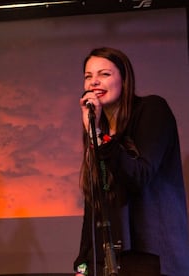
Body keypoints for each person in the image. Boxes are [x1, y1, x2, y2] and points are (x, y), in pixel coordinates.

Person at [73, 47, 189, 276]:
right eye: (88, 76)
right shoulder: (99, 130)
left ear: (124, 80)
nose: (94, 82)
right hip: (113, 257)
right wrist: (83, 261)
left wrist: (97, 136)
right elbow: (96, 199)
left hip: (152, 255)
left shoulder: (152, 109)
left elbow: (139, 175)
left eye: (104, 74)